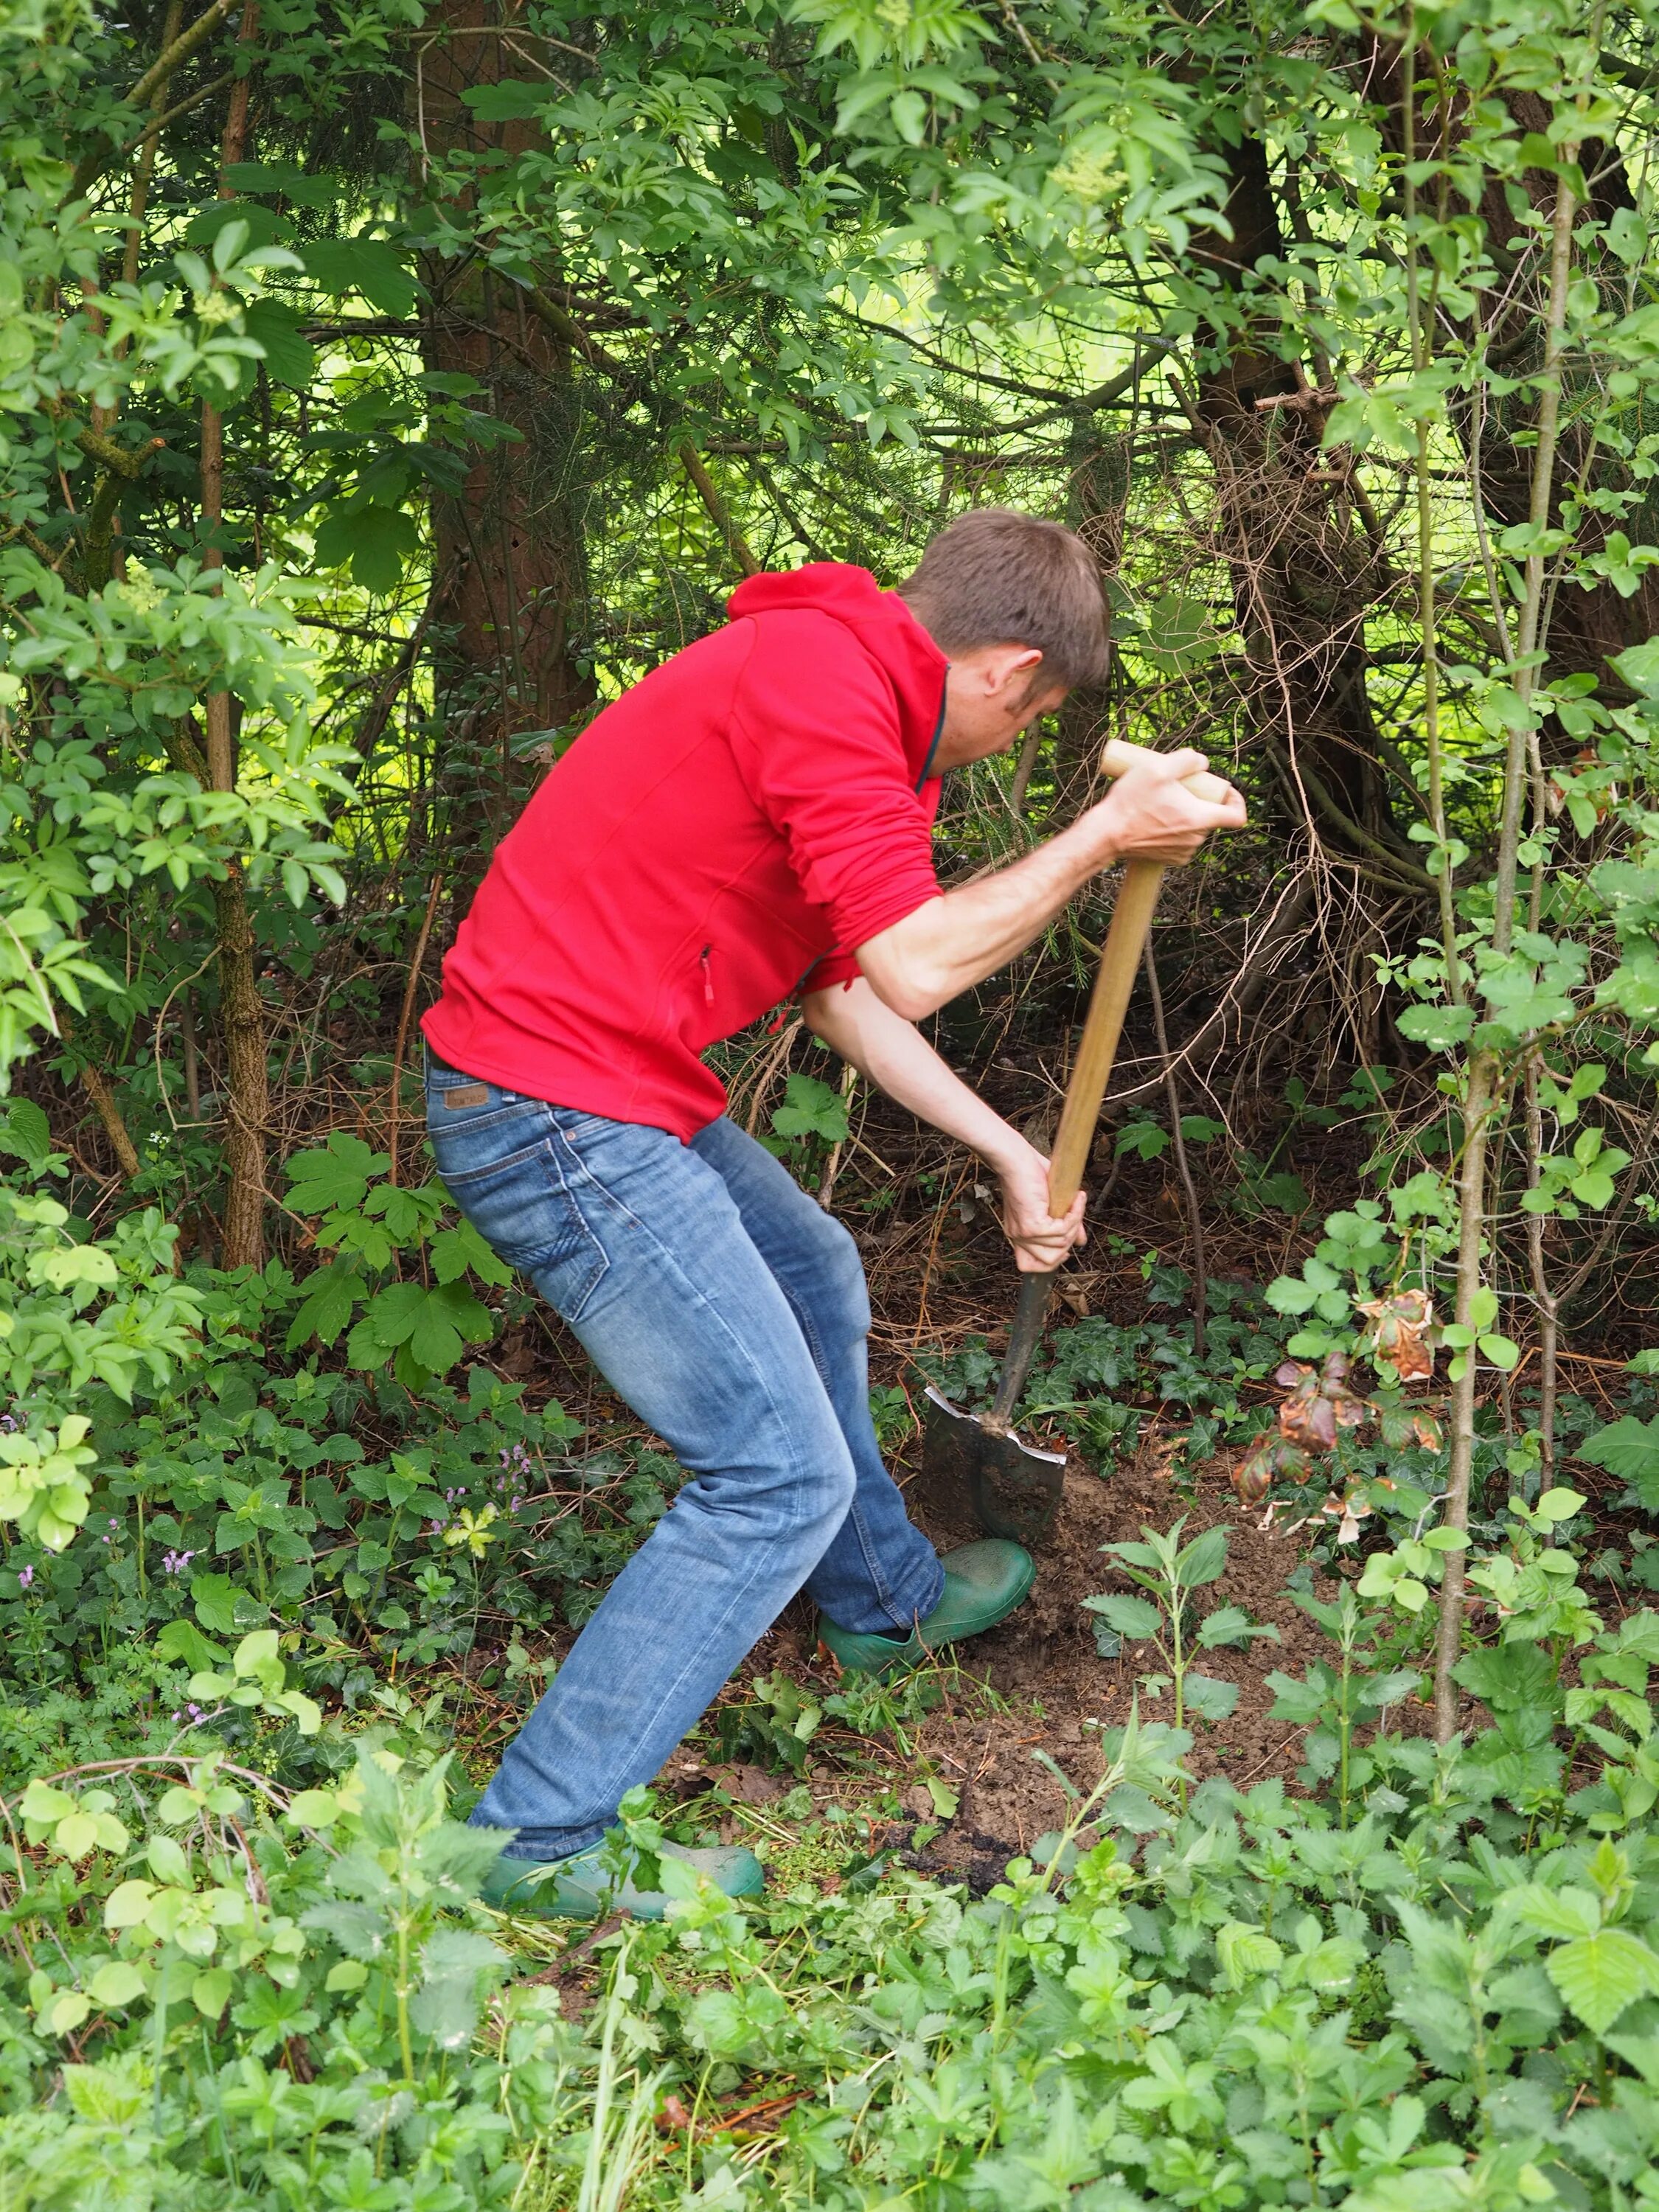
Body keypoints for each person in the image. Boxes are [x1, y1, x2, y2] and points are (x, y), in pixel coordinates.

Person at [421, 507, 1245, 1918]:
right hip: (548, 1108)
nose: (1017, 738)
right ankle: (533, 1842)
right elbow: (919, 964)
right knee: (770, 1474)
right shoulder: (820, 688)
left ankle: (881, 1602)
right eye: (1034, 715)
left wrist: (1012, 1153)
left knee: (812, 1267)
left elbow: (849, 990)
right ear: (1006, 673)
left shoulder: (863, 709)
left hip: (612, 1090)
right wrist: (1103, 834)